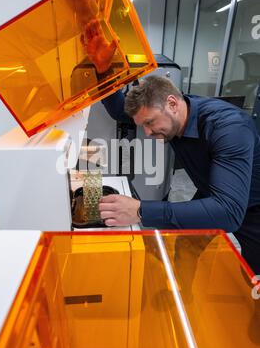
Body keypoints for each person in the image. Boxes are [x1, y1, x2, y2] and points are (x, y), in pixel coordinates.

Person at [98, 75, 260, 275]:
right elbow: (119, 110)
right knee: (186, 245)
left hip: (251, 208)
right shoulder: (174, 115)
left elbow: (228, 212)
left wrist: (141, 210)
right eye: (143, 126)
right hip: (213, 192)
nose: (147, 133)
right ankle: (181, 297)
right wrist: (104, 71)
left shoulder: (229, 128)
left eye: (150, 122)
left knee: (252, 276)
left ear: (172, 104)